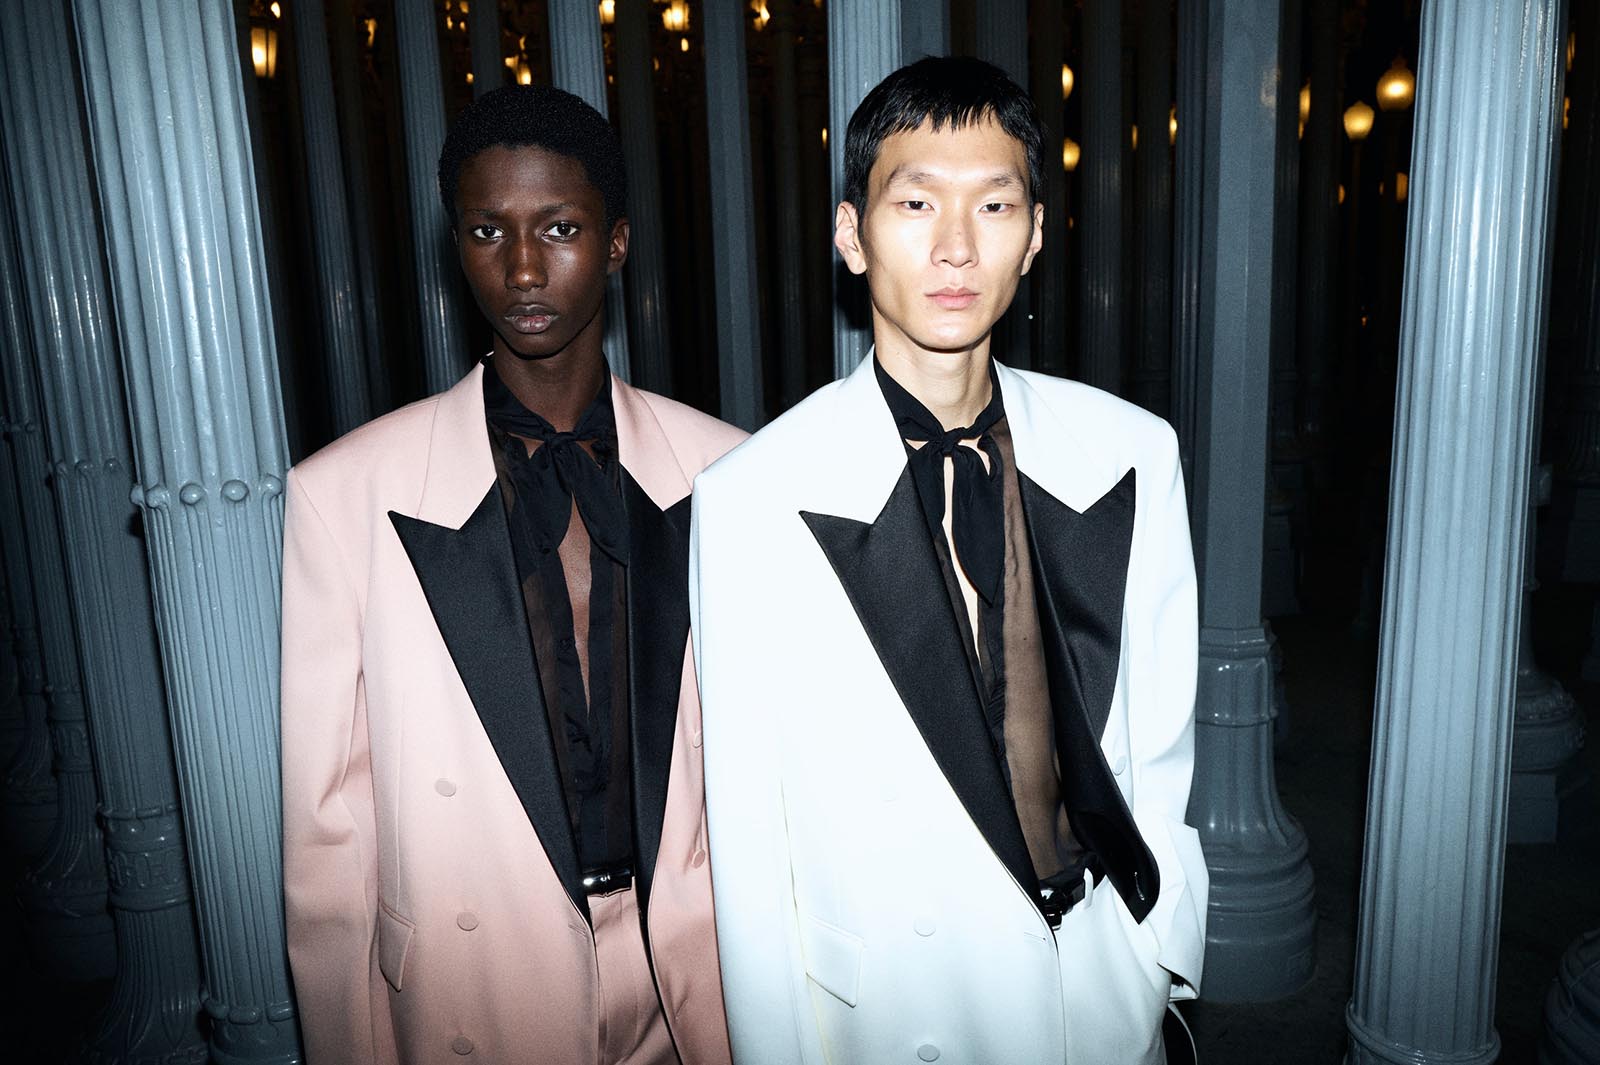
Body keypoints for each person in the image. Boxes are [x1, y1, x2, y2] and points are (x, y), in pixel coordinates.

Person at [690, 56, 1205, 1064]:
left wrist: (1164, 944)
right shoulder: (751, 496)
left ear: (1037, 234)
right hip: (893, 1014)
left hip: (1101, 992)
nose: (956, 246)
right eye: (916, 202)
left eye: (994, 205)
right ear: (852, 236)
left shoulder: (1131, 450)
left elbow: (1159, 744)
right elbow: (748, 845)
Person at [281, 85, 741, 1065]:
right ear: (457, 248)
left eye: (560, 228)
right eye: (488, 231)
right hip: (475, 983)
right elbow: (328, 841)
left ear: (616, 243)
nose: (523, 267)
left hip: (693, 972)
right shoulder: (346, 494)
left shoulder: (728, 473)